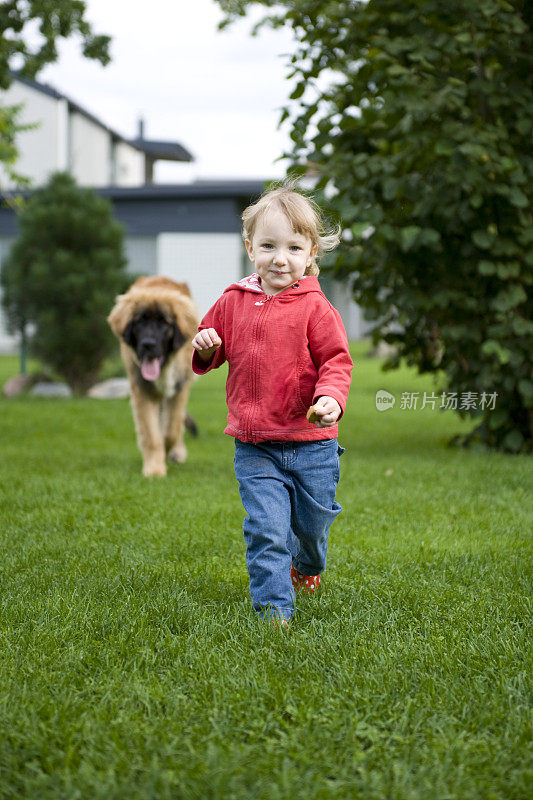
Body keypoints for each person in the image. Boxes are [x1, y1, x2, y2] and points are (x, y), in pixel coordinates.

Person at [192, 184, 353, 626]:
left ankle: (308, 567)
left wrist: (329, 399)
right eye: (268, 246)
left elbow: (337, 363)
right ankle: (273, 610)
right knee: (266, 529)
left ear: (310, 253)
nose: (280, 258)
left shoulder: (317, 309)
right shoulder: (231, 302)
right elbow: (211, 351)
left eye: (293, 247)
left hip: (311, 444)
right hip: (256, 443)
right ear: (250, 248)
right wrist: (206, 346)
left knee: (313, 531)